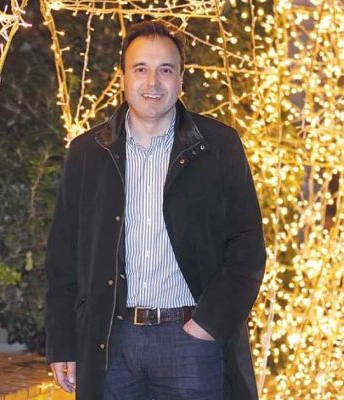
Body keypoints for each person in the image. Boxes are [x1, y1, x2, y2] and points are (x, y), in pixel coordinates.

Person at [44, 20, 266, 400]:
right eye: (140, 69)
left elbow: (247, 247)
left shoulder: (219, 147)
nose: (152, 82)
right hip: (110, 343)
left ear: (181, 79)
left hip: (190, 341)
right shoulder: (87, 153)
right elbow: (63, 255)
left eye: (165, 70)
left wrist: (207, 325)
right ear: (123, 78)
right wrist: (63, 342)